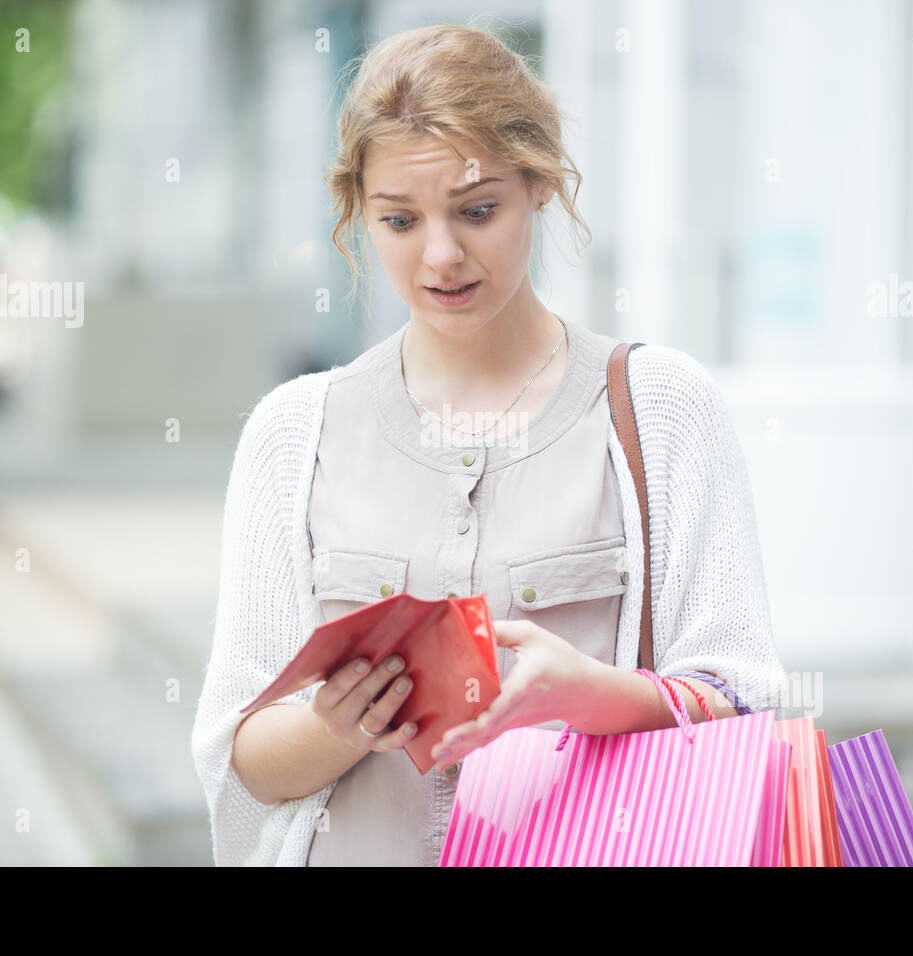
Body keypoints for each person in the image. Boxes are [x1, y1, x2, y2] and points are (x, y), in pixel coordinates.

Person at [190, 21, 787, 867]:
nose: (441, 256)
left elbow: (746, 698)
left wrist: (591, 695)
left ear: (539, 184)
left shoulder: (661, 408)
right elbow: (237, 754)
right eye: (399, 220)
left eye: (478, 210)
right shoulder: (294, 434)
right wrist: (339, 724)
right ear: (359, 210)